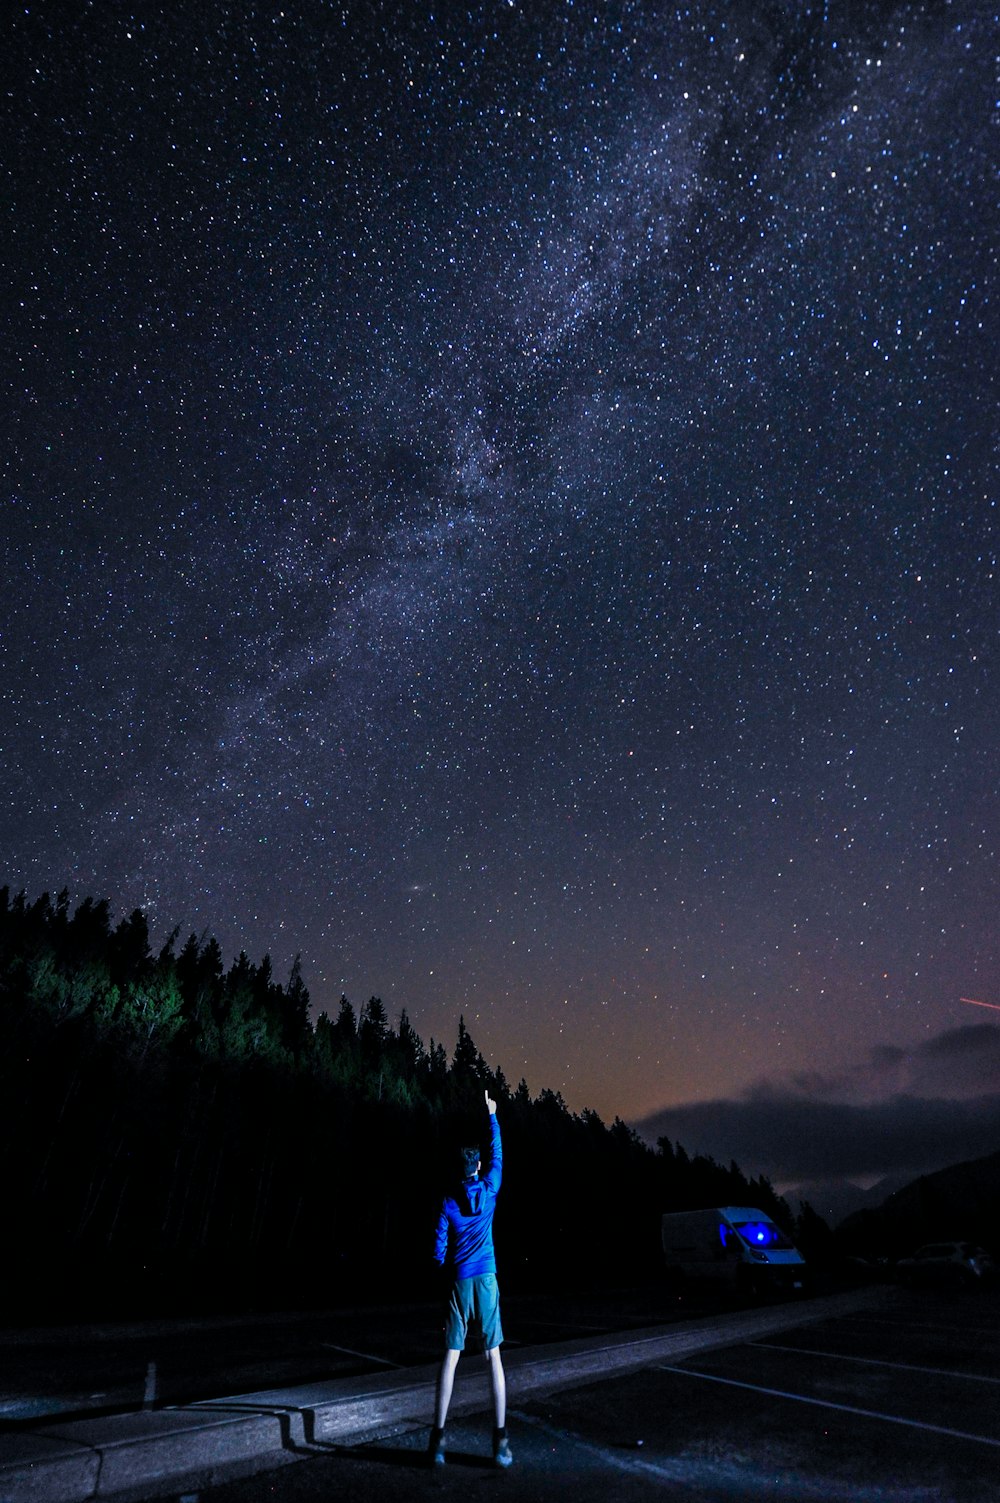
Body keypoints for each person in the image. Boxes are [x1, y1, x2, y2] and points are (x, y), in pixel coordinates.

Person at [428, 1088, 512, 1469]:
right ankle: (500, 1443)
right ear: (476, 1167)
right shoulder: (491, 1188)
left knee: (450, 1358)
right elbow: (499, 1155)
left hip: (460, 1282)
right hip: (488, 1279)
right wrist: (492, 1115)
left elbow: (438, 1249)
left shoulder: (448, 1202)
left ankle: (438, 1440)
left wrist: (442, 1260)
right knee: (493, 1357)